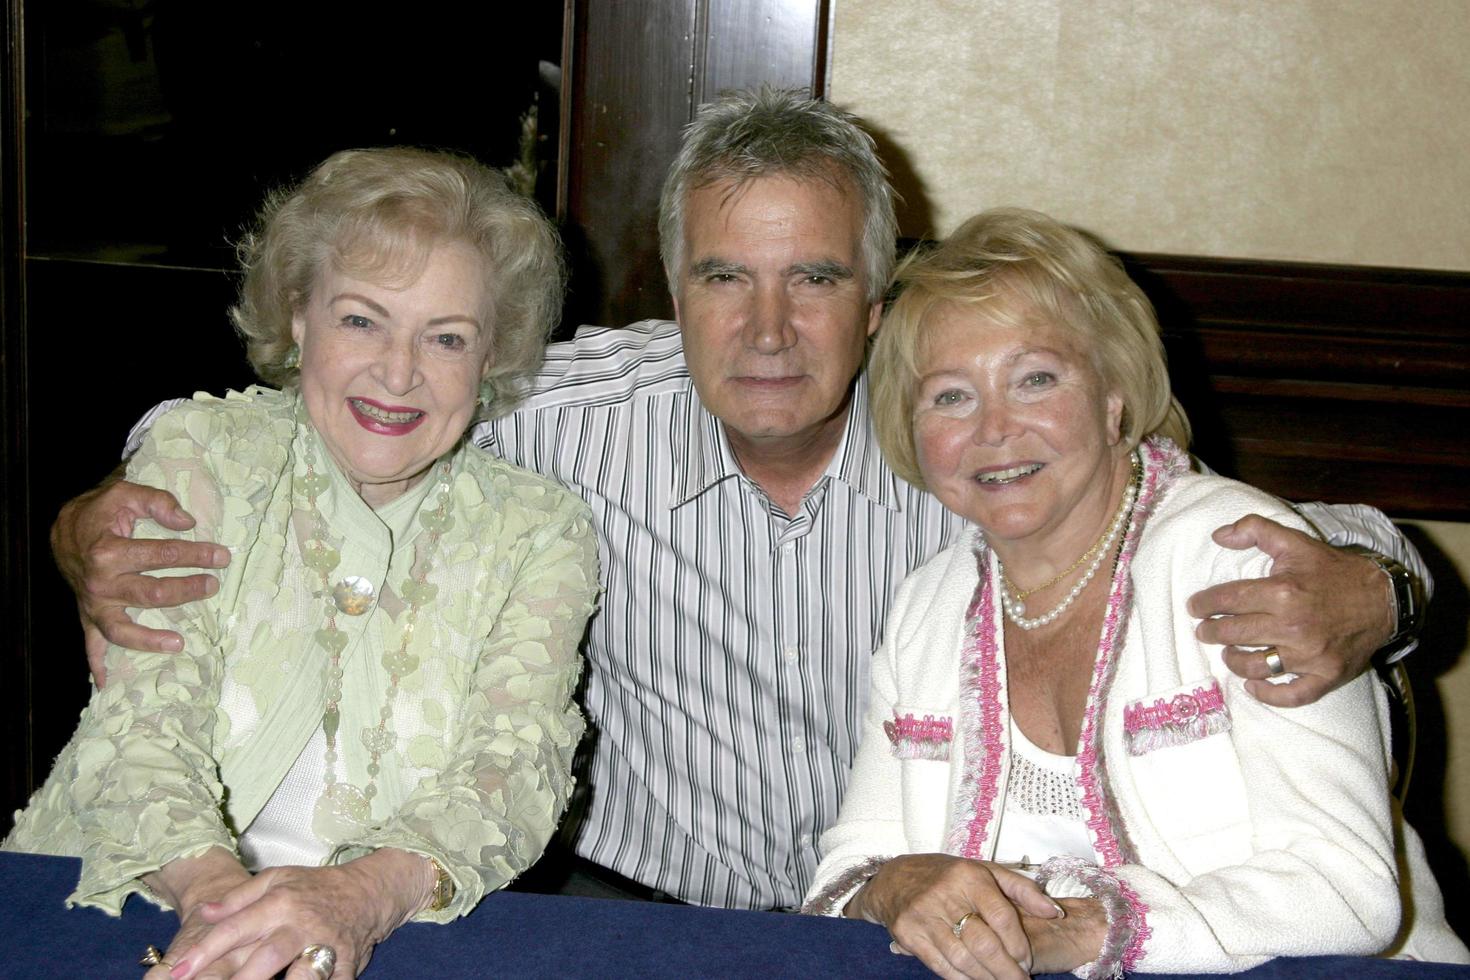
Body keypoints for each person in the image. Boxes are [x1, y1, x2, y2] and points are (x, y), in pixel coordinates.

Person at [50, 90, 1425, 911]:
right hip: (627, 909)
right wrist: (95, 514)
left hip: (917, 912)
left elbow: (1201, 502)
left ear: (876, 300)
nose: (767, 329)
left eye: (814, 279)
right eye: (723, 278)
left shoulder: (974, 433)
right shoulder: (543, 415)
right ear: (669, 290)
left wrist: (1377, 581)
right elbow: (308, 410)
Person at [802, 208, 1466, 976]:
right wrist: (896, 882)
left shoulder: (1237, 561)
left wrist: (1088, 930)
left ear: (1114, 394)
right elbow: (850, 870)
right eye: (950, 396)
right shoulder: (928, 605)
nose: (994, 428)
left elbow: (1348, 893)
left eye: (1036, 379)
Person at [6, 147, 599, 979]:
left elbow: (511, 770)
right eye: (361, 319)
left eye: (447, 337)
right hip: (116, 889)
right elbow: (143, 727)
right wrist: (222, 909)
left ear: (491, 355)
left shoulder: (541, 531)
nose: (399, 372)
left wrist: (349, 901)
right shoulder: (203, 456)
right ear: (298, 315)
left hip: (392, 927)